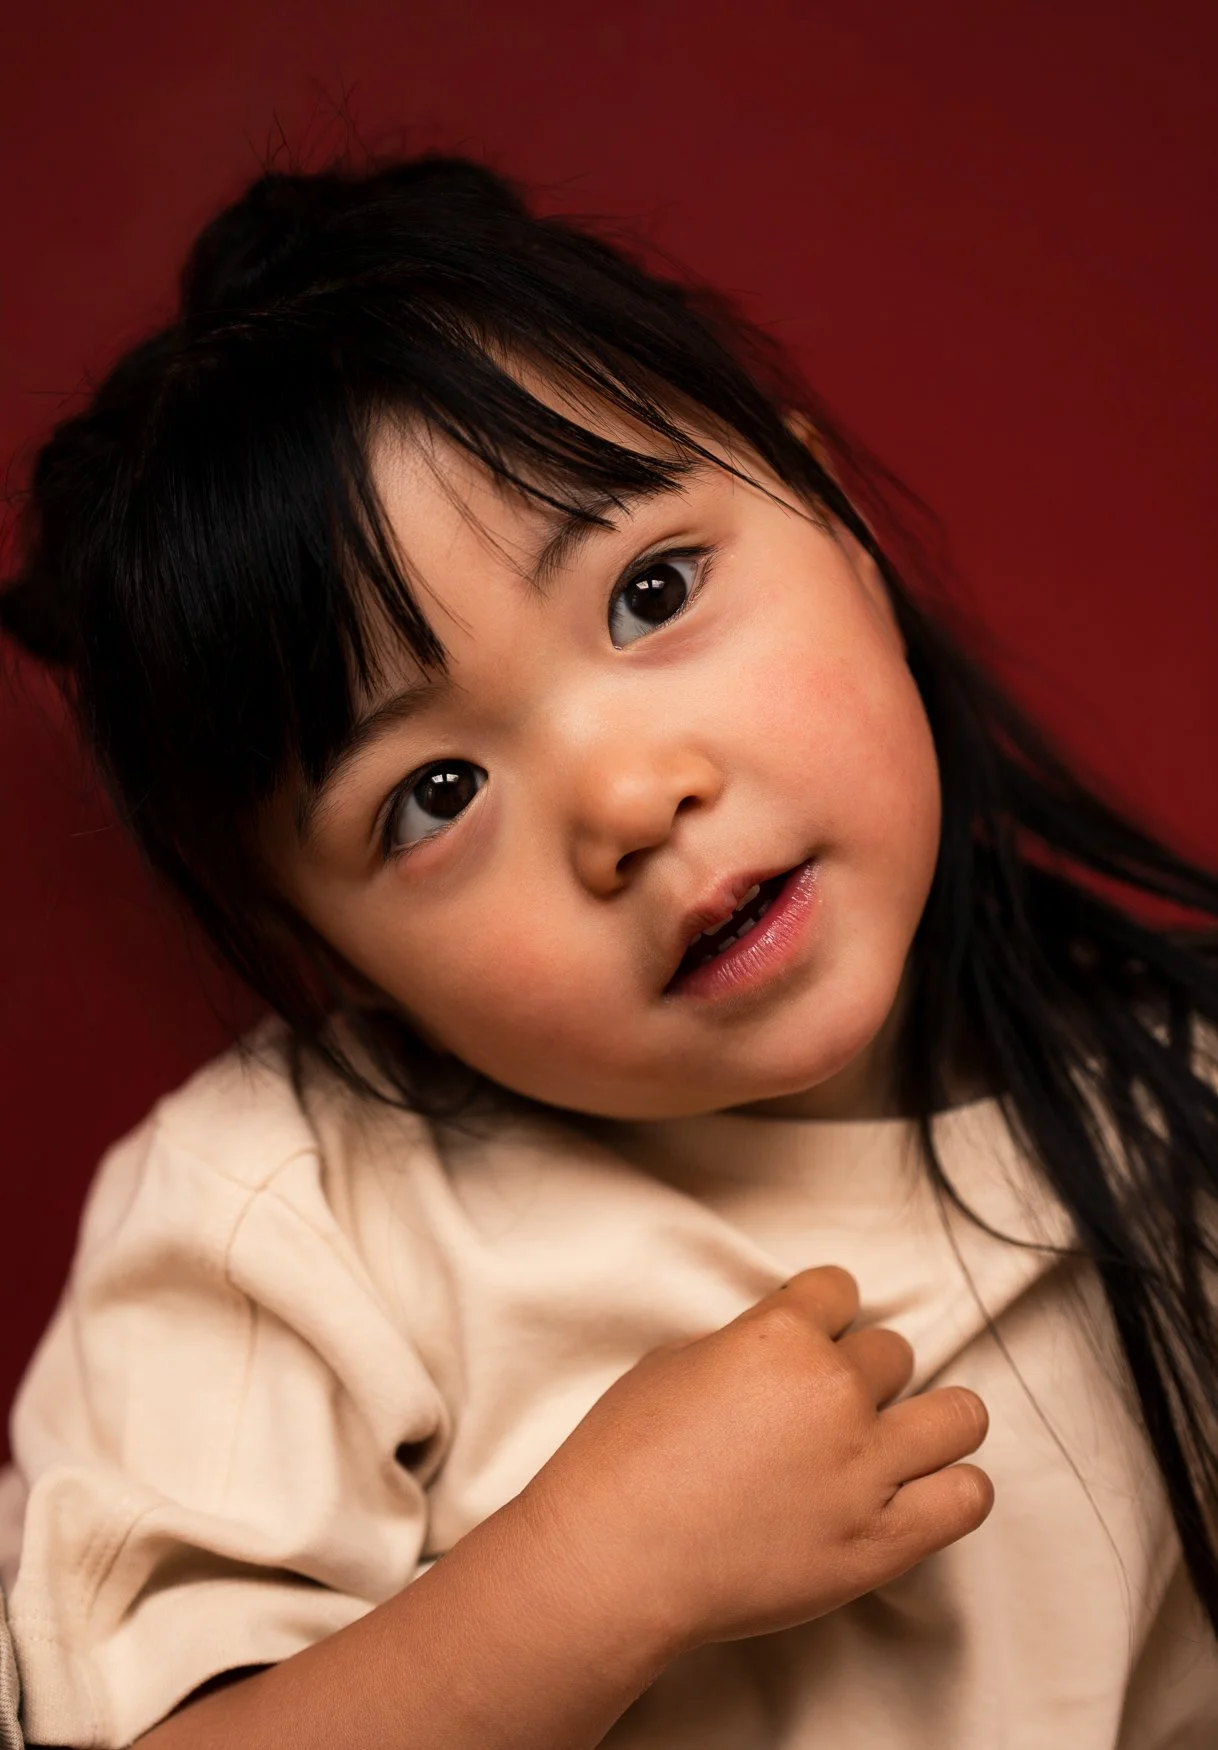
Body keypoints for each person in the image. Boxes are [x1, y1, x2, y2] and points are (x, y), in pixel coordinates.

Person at [1, 153, 1216, 1750]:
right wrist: (594, 1577)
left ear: (833, 515)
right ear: (327, 943)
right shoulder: (291, 1224)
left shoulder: (1175, 1094)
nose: (631, 803)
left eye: (650, 592)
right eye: (434, 795)